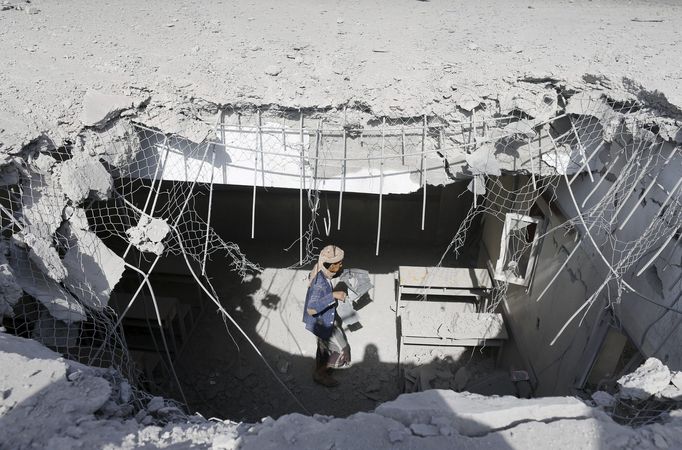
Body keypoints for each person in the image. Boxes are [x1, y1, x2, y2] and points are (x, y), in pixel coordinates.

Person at [302, 245, 351, 387]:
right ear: (328, 265)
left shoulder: (321, 271)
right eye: (338, 263)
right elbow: (311, 308)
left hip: (324, 319)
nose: (341, 265)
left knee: (322, 348)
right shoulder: (320, 284)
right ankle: (320, 373)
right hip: (322, 321)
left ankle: (321, 368)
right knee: (343, 352)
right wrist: (333, 295)